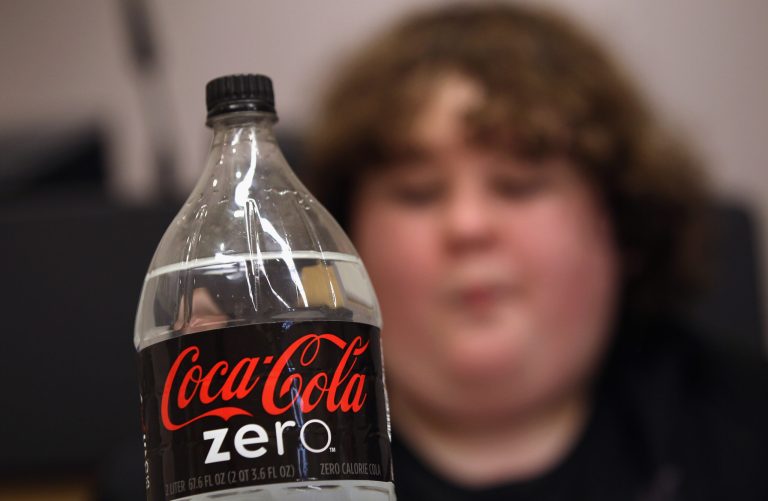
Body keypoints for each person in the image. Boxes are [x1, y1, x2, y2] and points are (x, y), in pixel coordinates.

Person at [304, 4, 768, 500]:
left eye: (518, 186)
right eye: (418, 192)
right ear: (343, 239)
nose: (467, 224)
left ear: (623, 224)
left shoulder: (750, 429)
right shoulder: (260, 452)